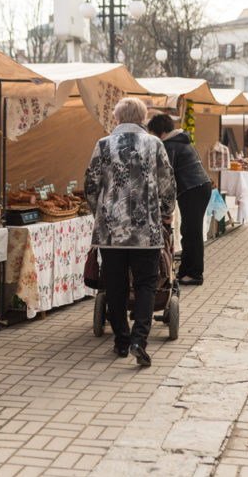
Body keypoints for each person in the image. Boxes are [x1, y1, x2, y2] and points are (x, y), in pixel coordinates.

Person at [85, 98, 176, 367]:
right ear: (142, 118)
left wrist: (99, 213)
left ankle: (121, 341)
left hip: (111, 232)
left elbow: (91, 184)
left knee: (115, 286)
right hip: (145, 231)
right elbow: (167, 183)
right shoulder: (154, 144)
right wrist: (165, 210)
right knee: (146, 284)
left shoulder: (103, 145)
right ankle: (139, 340)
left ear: (117, 118)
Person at [147, 114, 212, 286]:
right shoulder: (179, 140)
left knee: (192, 232)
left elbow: (163, 175)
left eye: (152, 133)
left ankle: (195, 274)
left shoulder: (169, 145)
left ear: (160, 133)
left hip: (193, 189)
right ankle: (186, 270)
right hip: (197, 188)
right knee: (189, 230)